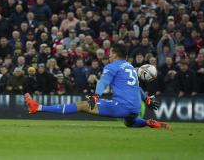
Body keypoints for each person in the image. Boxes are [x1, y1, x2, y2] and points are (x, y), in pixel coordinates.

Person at [25, 44, 171, 129]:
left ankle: (37, 107)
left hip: (121, 105)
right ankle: (148, 123)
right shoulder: (130, 67)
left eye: (110, 53)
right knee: (129, 121)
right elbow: (137, 88)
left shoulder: (112, 66)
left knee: (82, 105)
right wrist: (147, 100)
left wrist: (96, 96)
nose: (109, 55)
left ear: (114, 54)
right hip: (135, 108)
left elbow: (102, 82)